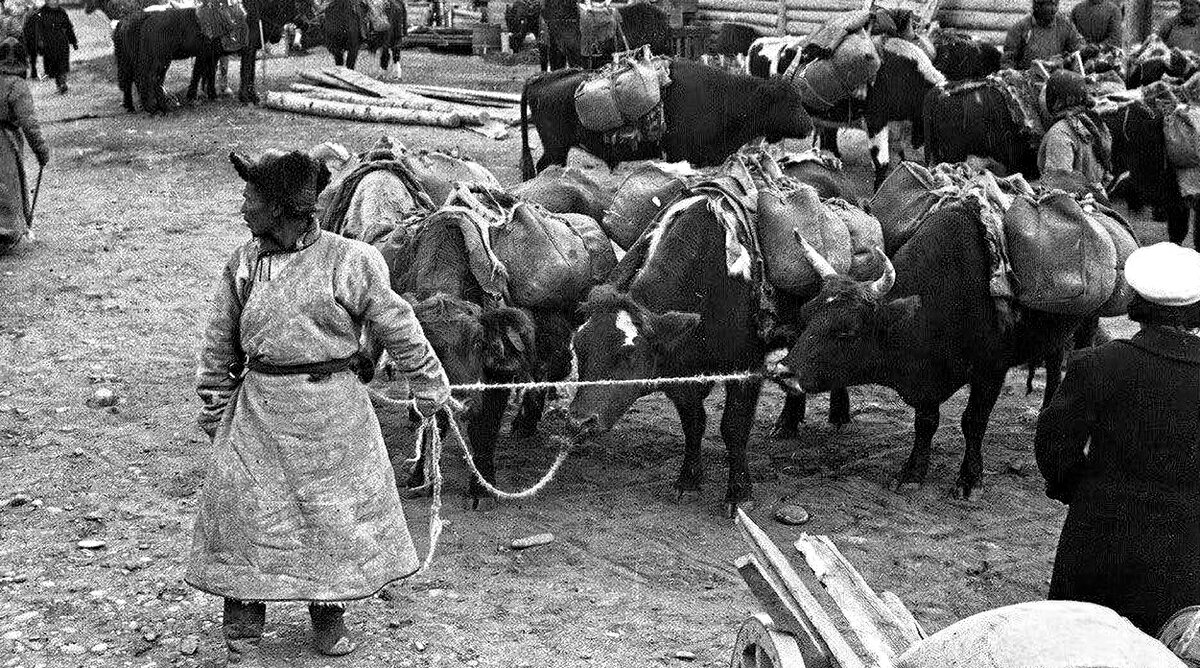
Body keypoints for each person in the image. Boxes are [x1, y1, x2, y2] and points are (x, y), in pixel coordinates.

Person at [185, 148, 452, 665]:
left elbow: (397, 326)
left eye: (252, 197)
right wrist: (218, 410)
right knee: (249, 514)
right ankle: (243, 624)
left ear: (282, 207)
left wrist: (430, 388)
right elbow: (219, 343)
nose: (243, 206)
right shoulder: (243, 263)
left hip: (335, 416)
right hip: (259, 412)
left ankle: (328, 621)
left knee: (333, 519)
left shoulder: (352, 260)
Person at [1036, 241, 1200, 636]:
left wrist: (1077, 488)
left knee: (1079, 644)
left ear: (1136, 303)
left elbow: (1054, 443)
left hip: (1098, 537)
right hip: (1187, 546)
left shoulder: (1098, 364)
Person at [0, 36, 48, 255]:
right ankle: (6, 233)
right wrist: (40, 150)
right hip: (5, 141)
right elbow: (29, 123)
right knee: (7, 185)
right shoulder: (18, 85)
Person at [1037, 69, 1112, 201]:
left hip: (1075, 207)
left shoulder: (1060, 133)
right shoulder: (1093, 122)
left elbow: (1058, 185)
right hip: (1097, 200)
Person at [1003, 0, 1085, 69]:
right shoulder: (1021, 28)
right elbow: (1008, 60)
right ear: (1037, 7)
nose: (1054, 10)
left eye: (1056, 4)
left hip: (1057, 77)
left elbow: (1077, 47)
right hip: (1028, 79)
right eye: (1050, 5)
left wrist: (1085, 51)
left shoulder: (1065, 25)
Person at [32, 0, 76, 94]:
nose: (54, 2)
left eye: (55, 0)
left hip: (61, 42)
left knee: (62, 63)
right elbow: (37, 31)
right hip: (48, 44)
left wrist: (73, 41)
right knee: (53, 65)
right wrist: (39, 45)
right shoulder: (40, 13)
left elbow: (68, 27)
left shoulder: (61, 11)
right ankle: (59, 84)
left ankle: (62, 83)